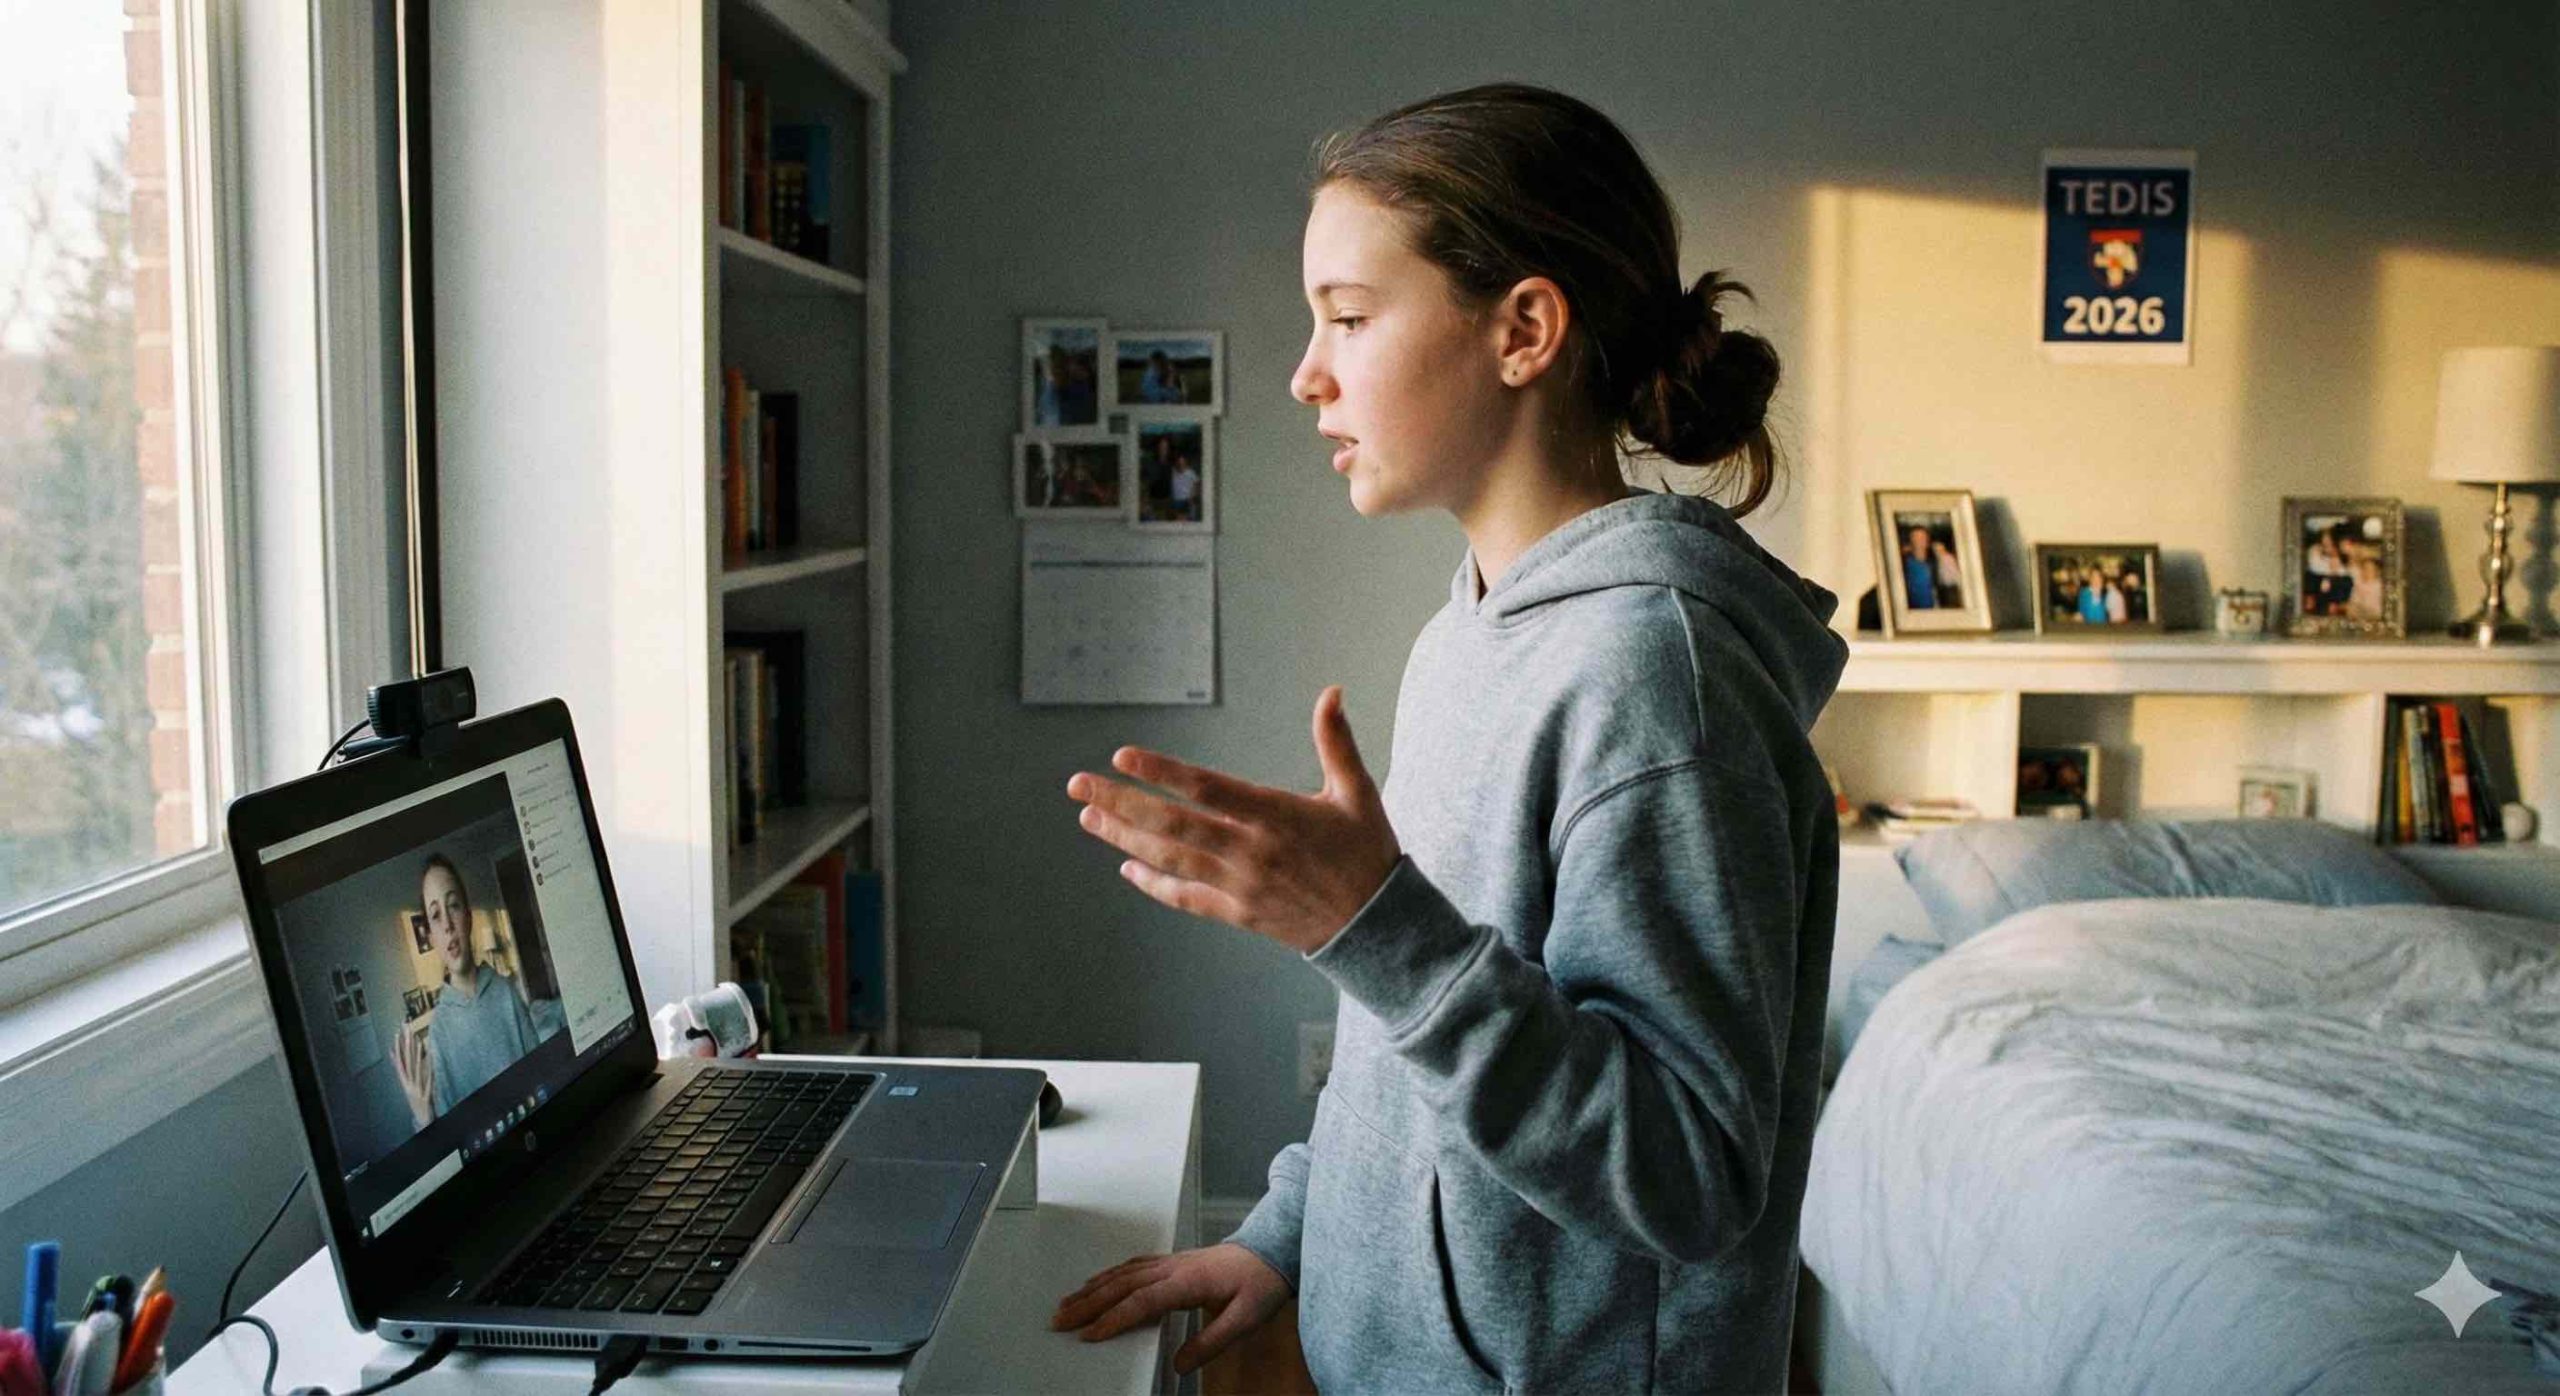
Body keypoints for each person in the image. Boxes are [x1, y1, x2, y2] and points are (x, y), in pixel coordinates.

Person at [1048, 83, 1845, 1393]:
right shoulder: (1474, 632)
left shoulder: (1658, 679)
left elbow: (1693, 1176)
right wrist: (1285, 1241)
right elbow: (1408, 1048)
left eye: (1350, 318)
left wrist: (1372, 924)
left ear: (1524, 328)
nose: (1307, 371)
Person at [390, 852, 552, 1128]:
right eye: (436, 915)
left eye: (453, 906)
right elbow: (449, 1137)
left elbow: (545, 1078)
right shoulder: (440, 1029)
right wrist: (423, 1118)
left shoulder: (505, 992)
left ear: (468, 917)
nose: (447, 925)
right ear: (431, 936)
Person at [1902, 526, 1939, 608]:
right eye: (1915, 539)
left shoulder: (1934, 564)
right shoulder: (1905, 566)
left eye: (1922, 538)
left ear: (1928, 542)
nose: (1919, 542)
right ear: (1910, 542)